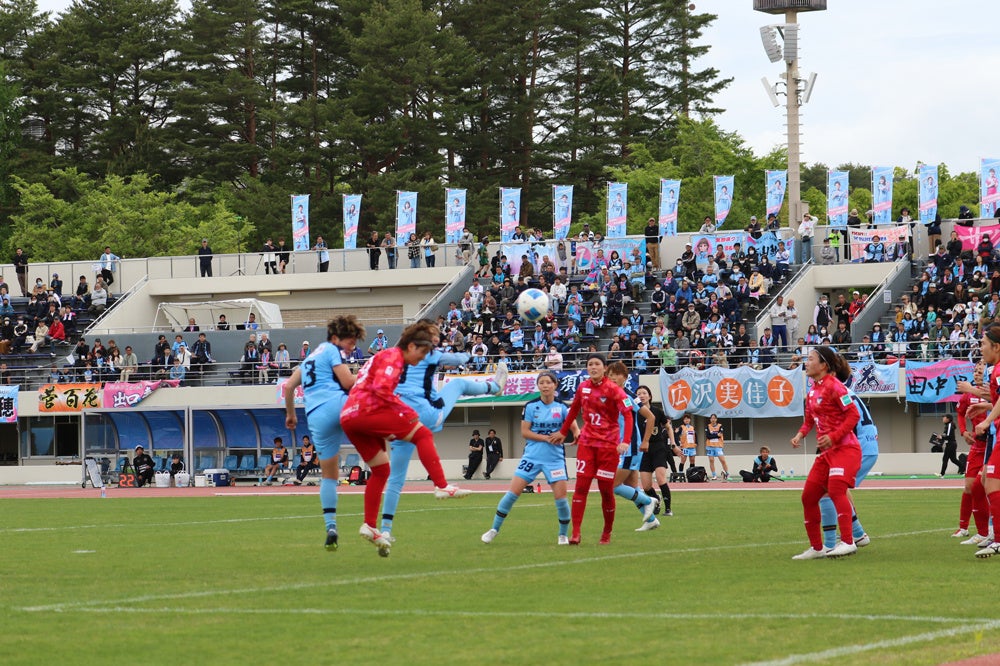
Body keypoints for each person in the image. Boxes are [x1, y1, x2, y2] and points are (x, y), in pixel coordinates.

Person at [340, 321, 471, 557]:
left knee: (381, 471)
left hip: (350, 416)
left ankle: (370, 525)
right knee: (421, 433)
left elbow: (362, 383)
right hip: (368, 411)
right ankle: (441, 486)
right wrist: (404, 411)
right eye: (421, 353)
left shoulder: (381, 356)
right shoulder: (393, 358)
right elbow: (381, 390)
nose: (422, 359)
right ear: (410, 346)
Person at [378, 327, 506, 539]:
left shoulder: (390, 356)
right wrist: (467, 353)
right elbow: (458, 360)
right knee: (456, 383)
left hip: (398, 420)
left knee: (396, 478)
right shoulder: (427, 352)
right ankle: (494, 387)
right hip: (424, 415)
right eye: (432, 337)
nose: (435, 341)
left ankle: (385, 529)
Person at [284, 315, 365, 550]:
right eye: (350, 343)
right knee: (371, 405)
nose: (351, 349)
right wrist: (369, 376)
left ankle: (331, 525)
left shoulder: (309, 357)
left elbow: (289, 386)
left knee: (329, 476)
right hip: (337, 404)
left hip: (316, 418)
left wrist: (291, 415)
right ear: (336, 338)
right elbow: (349, 382)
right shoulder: (331, 350)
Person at [482, 371, 580, 545]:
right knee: (512, 494)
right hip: (531, 457)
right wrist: (548, 438)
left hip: (555, 460)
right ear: (538, 386)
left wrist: (575, 435)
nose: (545, 385)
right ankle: (494, 529)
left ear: (555, 385)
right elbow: (525, 432)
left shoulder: (563, 407)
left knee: (561, 498)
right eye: (541, 383)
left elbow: (574, 429)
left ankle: (562, 535)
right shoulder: (530, 406)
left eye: (548, 382)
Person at [550, 353, 634, 545]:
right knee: (581, 487)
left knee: (605, 490)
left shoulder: (614, 390)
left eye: (597, 364)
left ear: (605, 368)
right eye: (590, 364)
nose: (593, 367)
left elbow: (628, 416)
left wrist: (625, 441)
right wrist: (564, 432)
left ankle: (607, 533)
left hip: (607, 447)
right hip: (587, 444)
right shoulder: (583, 387)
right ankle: (576, 533)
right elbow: (573, 410)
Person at [790, 346, 861, 560]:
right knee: (808, 497)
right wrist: (800, 435)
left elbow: (853, 415)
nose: (806, 362)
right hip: (827, 453)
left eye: (810, 359)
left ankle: (849, 542)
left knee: (836, 489)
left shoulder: (835, 386)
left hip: (846, 448)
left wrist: (834, 436)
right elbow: (809, 421)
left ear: (823, 365)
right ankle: (817, 548)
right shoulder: (812, 390)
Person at [818, 369, 878, 551]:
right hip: (865, 447)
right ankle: (857, 534)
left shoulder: (839, 393)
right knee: (838, 489)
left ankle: (839, 540)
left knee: (828, 489)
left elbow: (853, 418)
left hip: (858, 448)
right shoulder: (844, 392)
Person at [606, 362, 660, 532]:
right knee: (631, 486)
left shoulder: (628, 395)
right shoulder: (611, 396)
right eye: (610, 375)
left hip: (630, 446)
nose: (613, 377)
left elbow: (650, 417)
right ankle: (651, 520)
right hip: (622, 446)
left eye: (617, 374)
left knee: (613, 485)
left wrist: (646, 441)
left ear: (625, 377)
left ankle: (648, 500)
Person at [952, 362, 991, 543]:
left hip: (992, 443)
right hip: (977, 445)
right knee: (970, 487)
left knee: (984, 487)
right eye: (975, 370)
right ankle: (965, 528)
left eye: (980, 370)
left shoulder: (992, 391)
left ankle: (988, 531)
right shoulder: (968, 395)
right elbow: (960, 413)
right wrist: (964, 431)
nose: (976, 373)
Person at [971, 323, 1000, 557]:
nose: (981, 349)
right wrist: (987, 406)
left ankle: (997, 537)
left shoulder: (998, 370)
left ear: (996, 347)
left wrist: (987, 420)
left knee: (989, 481)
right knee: (987, 480)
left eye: (984, 344)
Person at [636, 384, 676, 517]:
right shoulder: (635, 413)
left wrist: (673, 443)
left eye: (644, 393)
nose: (641, 396)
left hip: (658, 448)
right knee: (646, 486)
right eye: (638, 394)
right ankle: (656, 499)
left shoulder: (657, 411)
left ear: (650, 396)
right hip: (643, 450)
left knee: (660, 479)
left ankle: (668, 509)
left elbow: (668, 427)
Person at [705, 413, 729, 481]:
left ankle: (727, 474)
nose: (713, 419)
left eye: (714, 418)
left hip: (718, 446)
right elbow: (708, 436)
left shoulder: (720, 426)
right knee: (711, 460)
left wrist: (713, 435)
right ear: (710, 419)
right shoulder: (708, 426)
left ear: (716, 419)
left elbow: (720, 434)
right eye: (711, 418)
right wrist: (716, 435)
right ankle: (714, 475)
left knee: (722, 460)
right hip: (710, 446)